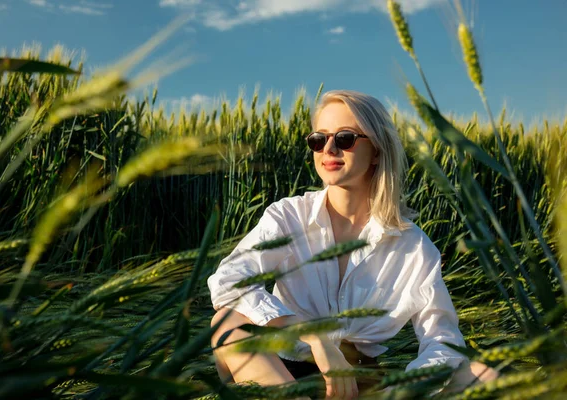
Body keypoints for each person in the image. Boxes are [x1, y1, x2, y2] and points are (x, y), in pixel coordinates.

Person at [207, 90, 496, 399]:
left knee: (483, 374)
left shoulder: (412, 246)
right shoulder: (288, 217)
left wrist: (404, 389)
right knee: (227, 321)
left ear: (376, 151)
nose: (328, 149)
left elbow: (443, 340)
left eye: (345, 138)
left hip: (356, 385)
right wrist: (315, 338)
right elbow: (228, 281)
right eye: (318, 139)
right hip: (280, 371)